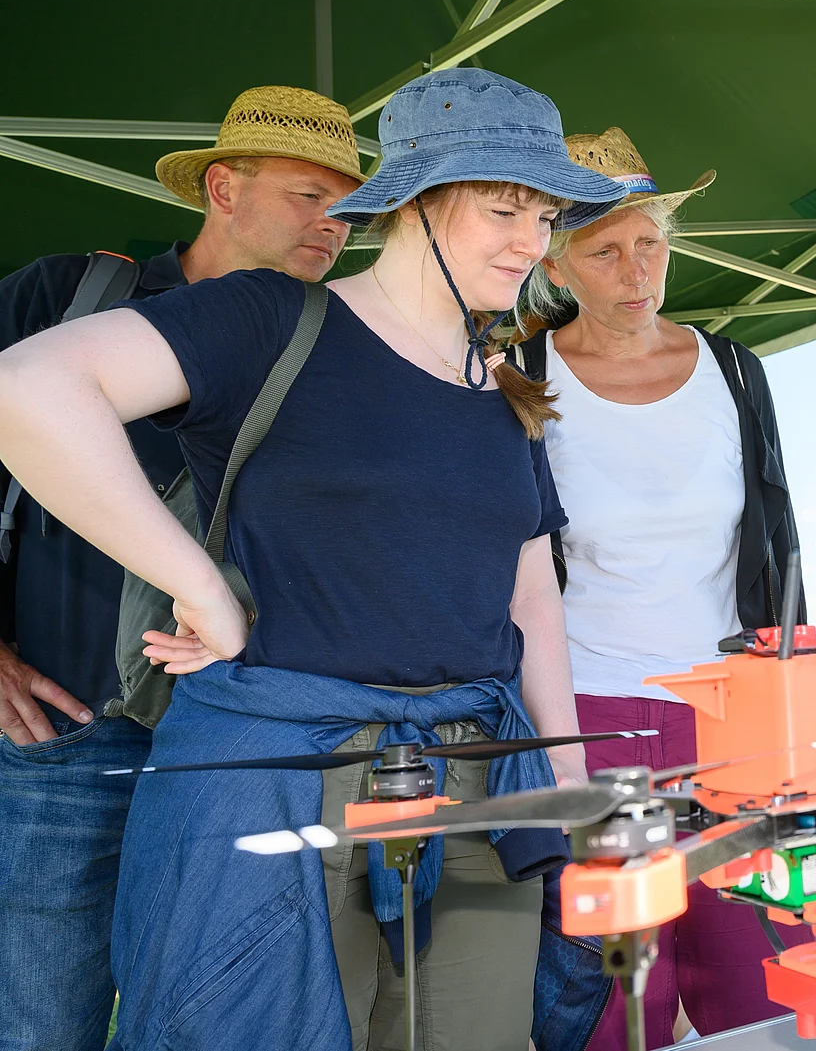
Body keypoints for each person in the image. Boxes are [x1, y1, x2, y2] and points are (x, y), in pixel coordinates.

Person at [0, 69, 626, 1051]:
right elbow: (27, 391)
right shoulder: (268, 318)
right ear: (415, 203)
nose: (533, 243)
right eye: (504, 209)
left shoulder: (506, 385)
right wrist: (199, 582)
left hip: (473, 780)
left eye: (546, 217)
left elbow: (533, 607)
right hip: (277, 782)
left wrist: (574, 800)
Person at [0, 84, 366, 1051]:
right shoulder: (68, 296)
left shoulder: (335, 348)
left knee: (224, 1027)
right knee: (39, 1028)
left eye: (348, 208)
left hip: (246, 750)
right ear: (222, 188)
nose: (334, 227)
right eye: (307, 195)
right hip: (64, 737)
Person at [520, 127, 809, 1051]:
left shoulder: (734, 371)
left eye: (651, 244)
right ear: (558, 263)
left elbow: (778, 548)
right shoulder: (520, 380)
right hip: (588, 720)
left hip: (734, 718)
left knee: (762, 975)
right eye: (605, 251)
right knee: (614, 998)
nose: (636, 271)